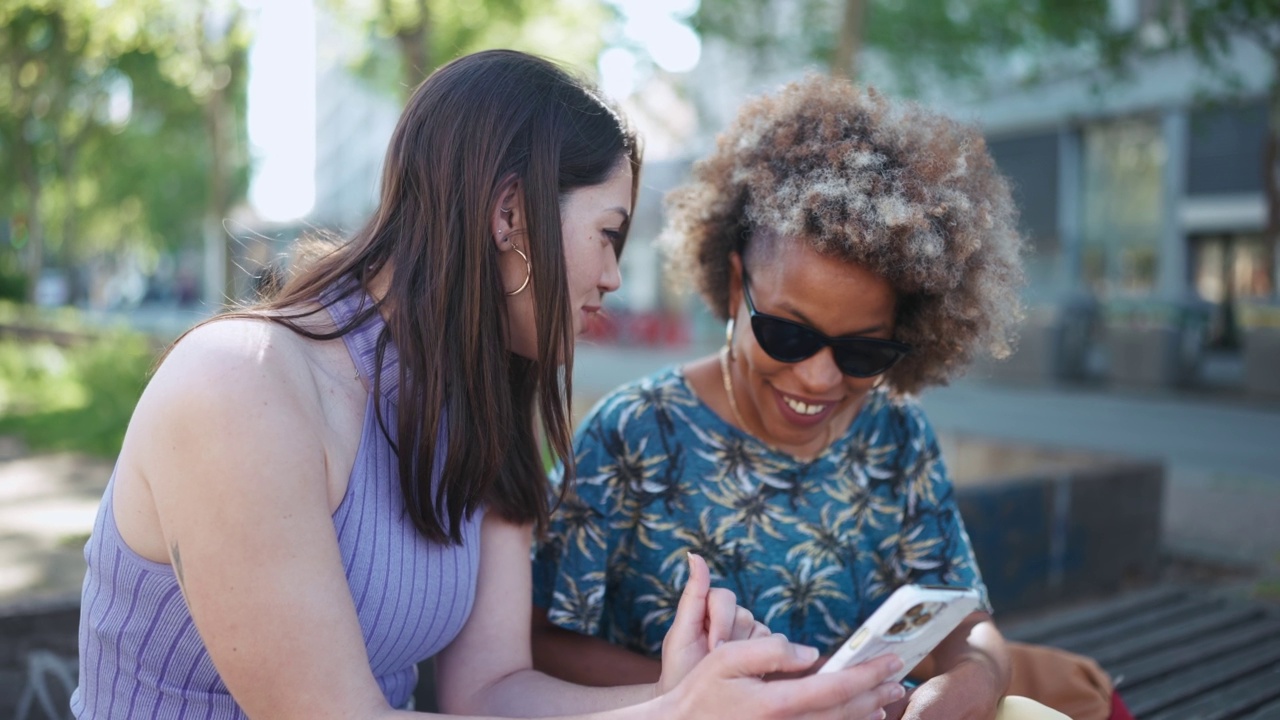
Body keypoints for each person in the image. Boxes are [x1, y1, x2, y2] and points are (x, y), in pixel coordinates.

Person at [70, 51, 910, 719]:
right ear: (511, 215)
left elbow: (494, 694)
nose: (614, 277)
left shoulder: (485, 406)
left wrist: (695, 693)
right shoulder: (241, 387)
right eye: (608, 235)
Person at [531, 76, 1086, 720]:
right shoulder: (633, 432)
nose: (821, 378)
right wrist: (730, 696)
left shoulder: (897, 436)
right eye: (789, 334)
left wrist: (966, 684)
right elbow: (539, 640)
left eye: (862, 353)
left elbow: (968, 622)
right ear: (738, 285)